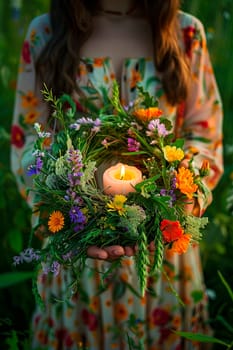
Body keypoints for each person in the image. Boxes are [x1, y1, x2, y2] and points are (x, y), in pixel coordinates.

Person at [11, 0, 223, 349]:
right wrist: (64, 211)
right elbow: (28, 140)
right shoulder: (46, 33)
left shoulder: (184, 33)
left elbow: (205, 133)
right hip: (77, 253)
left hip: (163, 255)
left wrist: (178, 207)